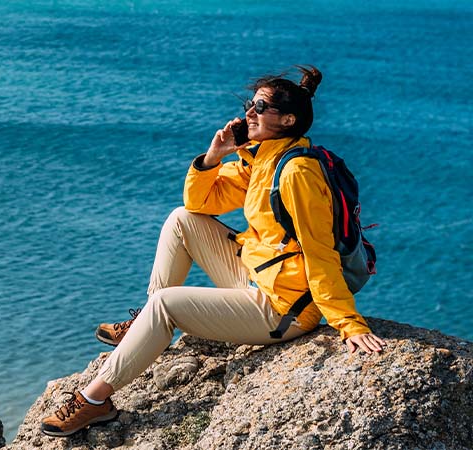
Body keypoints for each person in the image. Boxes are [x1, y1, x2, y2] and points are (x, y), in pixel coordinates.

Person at [39, 66, 386, 437]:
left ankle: (95, 401)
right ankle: (143, 326)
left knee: (167, 304)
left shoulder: (296, 172)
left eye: (260, 106)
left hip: (285, 309)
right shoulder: (263, 159)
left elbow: (320, 253)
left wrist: (348, 323)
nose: (249, 112)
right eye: (250, 103)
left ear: (288, 120)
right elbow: (199, 203)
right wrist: (213, 157)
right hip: (258, 275)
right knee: (181, 219)